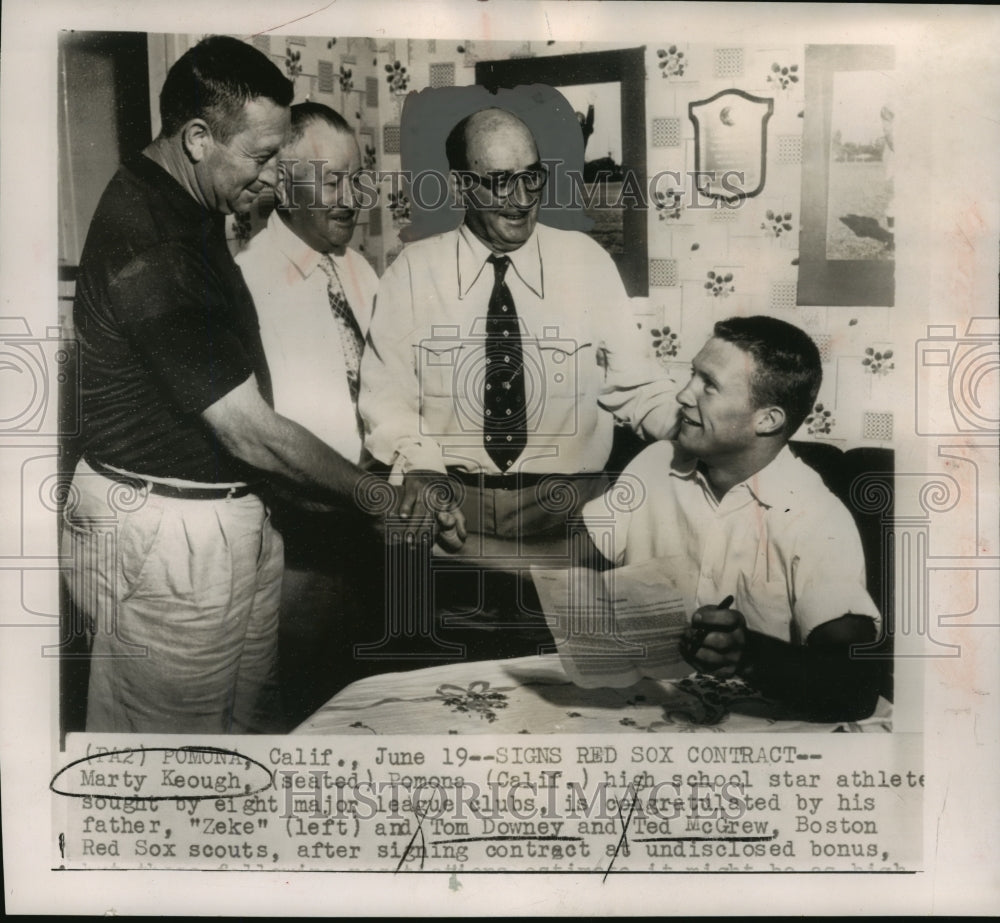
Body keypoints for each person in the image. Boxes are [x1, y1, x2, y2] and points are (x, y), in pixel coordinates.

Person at [63, 36, 459, 735]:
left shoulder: (189, 206)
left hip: (227, 522)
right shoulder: (150, 240)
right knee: (171, 766)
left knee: (251, 739)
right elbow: (248, 427)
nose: (275, 181)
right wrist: (381, 498)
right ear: (195, 138)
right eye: (265, 157)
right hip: (170, 533)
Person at [359, 106, 679, 547]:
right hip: (452, 514)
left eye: (532, 176)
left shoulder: (586, 261)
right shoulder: (412, 273)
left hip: (572, 513)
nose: (522, 197)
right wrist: (421, 466)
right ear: (460, 187)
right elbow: (387, 397)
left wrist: (705, 432)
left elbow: (637, 386)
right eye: (499, 181)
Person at [579, 316, 882, 721]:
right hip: (653, 710)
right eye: (692, 376)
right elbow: (569, 557)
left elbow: (857, 689)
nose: (684, 395)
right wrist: (466, 544)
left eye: (709, 385)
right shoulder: (655, 461)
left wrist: (750, 653)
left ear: (767, 420)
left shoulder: (818, 519)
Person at [236, 102, 381, 725]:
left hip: (368, 526)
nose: (351, 199)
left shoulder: (361, 271)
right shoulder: (246, 281)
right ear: (283, 185)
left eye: (357, 179)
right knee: (296, 705)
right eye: (331, 180)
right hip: (297, 538)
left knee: (364, 700)